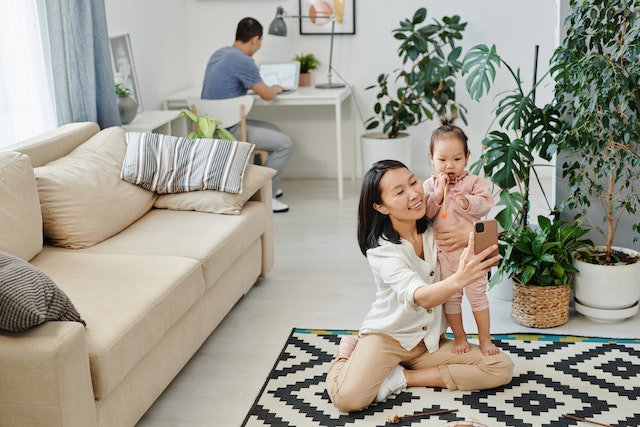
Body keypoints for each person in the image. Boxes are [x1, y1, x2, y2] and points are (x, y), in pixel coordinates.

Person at [326, 160, 513, 413]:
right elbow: (421, 297)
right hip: (388, 338)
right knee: (347, 399)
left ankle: (402, 377)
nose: (414, 194)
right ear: (380, 207)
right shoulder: (382, 251)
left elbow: (480, 231)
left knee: (500, 367)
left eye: (413, 182)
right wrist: (460, 278)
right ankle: (347, 354)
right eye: (399, 192)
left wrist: (468, 232)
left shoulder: (434, 227)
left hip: (429, 343)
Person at [423, 117, 499, 356]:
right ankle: (460, 338)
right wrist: (438, 193)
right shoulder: (430, 185)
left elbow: (486, 204)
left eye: (457, 159)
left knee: (478, 298)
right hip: (444, 255)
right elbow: (426, 212)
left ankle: (485, 339)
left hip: (471, 253)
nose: (449, 166)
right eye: (442, 160)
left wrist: (467, 201)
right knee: (451, 299)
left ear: (467, 156)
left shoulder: (474, 182)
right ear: (431, 158)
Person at [201, 17, 292, 213]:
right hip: (229, 130)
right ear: (255, 39)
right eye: (260, 42)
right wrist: (275, 89)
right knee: (284, 143)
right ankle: (269, 195)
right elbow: (267, 95)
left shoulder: (219, 53)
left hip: (210, 127)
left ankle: (261, 186)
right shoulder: (244, 61)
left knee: (273, 130)